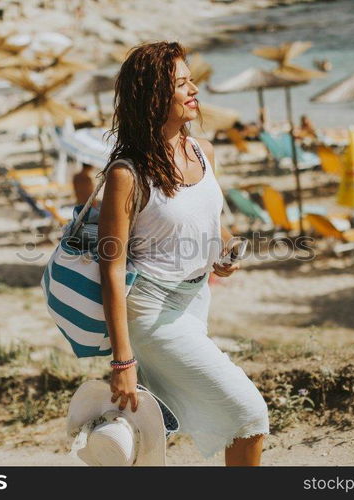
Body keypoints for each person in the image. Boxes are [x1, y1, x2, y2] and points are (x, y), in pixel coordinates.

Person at [96, 41, 269, 466]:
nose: (194, 90)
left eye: (192, 80)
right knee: (247, 412)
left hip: (195, 299)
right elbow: (112, 271)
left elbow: (208, 221)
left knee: (158, 423)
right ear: (154, 96)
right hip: (151, 312)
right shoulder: (127, 174)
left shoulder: (202, 152)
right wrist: (123, 362)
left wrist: (226, 249)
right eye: (181, 83)